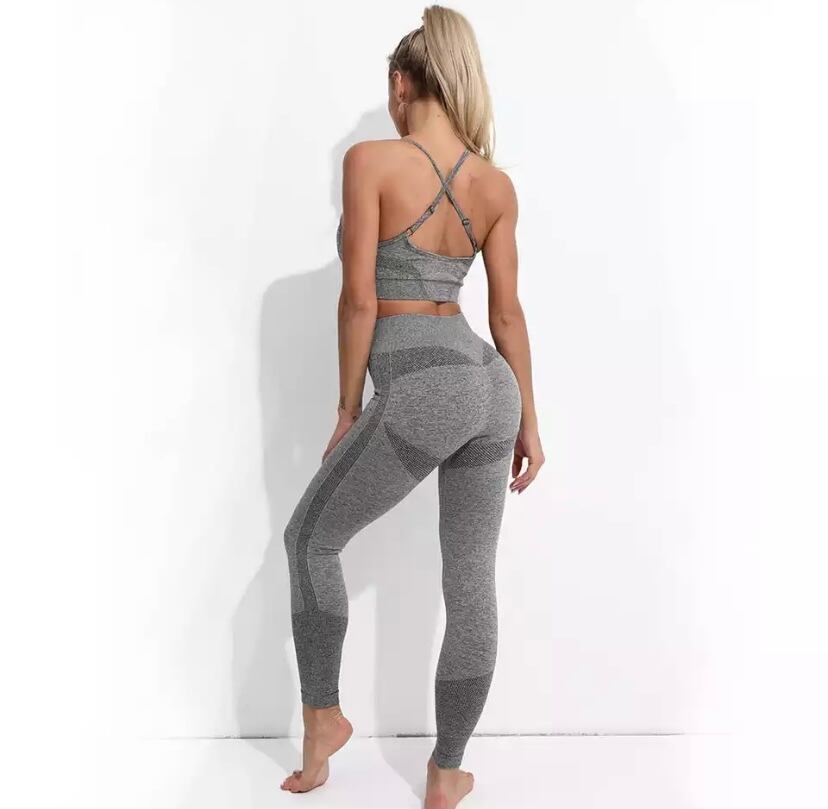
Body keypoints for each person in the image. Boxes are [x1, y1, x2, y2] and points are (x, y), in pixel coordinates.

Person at [280, 5, 544, 807]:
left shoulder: (371, 162)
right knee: (471, 580)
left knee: (308, 539)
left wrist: (347, 404)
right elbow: (506, 316)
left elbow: (360, 300)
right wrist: (530, 420)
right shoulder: (495, 185)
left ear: (401, 84)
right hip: (490, 383)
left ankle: (323, 717)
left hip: (423, 382)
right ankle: (447, 771)